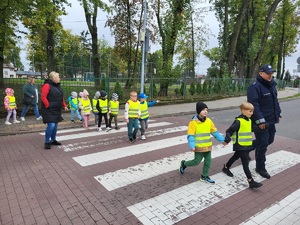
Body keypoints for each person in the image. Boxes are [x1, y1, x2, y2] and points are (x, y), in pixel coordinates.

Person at [247, 64, 281, 179]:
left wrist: (278, 113)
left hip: (271, 120)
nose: (270, 75)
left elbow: (275, 101)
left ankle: (245, 149)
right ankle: (260, 167)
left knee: (269, 140)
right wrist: (261, 121)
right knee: (263, 144)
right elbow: (254, 106)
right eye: (268, 73)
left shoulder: (271, 85)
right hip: (261, 122)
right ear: (261, 73)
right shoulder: (254, 87)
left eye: (271, 73)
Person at [179, 102, 226, 184]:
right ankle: (184, 164)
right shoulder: (193, 123)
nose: (205, 111)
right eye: (203, 110)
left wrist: (222, 140)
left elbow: (215, 132)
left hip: (208, 147)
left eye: (207, 110)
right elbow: (190, 136)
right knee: (196, 162)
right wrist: (192, 146)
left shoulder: (209, 121)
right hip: (199, 147)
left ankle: (204, 176)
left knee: (208, 162)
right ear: (199, 111)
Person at [222, 102, 263, 189]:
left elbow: (251, 128)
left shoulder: (248, 120)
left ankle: (226, 167)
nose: (252, 113)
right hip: (240, 144)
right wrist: (228, 138)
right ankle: (251, 181)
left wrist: (261, 127)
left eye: (252, 111)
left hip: (246, 144)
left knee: (236, 156)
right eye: (250, 111)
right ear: (243, 110)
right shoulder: (238, 121)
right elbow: (229, 131)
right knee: (245, 163)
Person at [41, 71, 68, 150]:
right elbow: (43, 97)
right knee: (51, 125)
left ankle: (53, 140)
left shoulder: (57, 86)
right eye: (58, 77)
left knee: (55, 126)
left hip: (56, 109)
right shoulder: (47, 85)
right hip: (49, 109)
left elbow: (61, 97)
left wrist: (64, 105)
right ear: (54, 78)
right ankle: (47, 141)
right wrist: (47, 105)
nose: (59, 78)